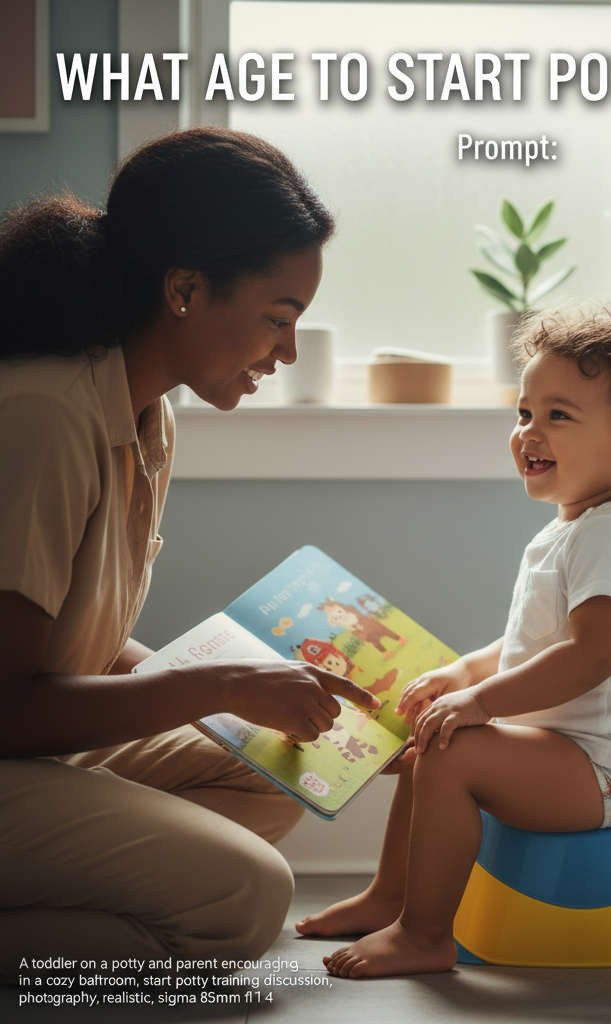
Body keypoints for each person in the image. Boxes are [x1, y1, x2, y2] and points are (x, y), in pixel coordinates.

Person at [0, 127, 381, 984]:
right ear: (184, 288)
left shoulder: (145, 412)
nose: (285, 353)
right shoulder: (45, 415)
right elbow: (7, 701)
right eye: (278, 320)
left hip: (34, 756)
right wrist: (215, 686)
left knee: (277, 769)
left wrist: (257, 687)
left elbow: (76, 645)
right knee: (245, 899)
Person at [297, 307, 611, 978]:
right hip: (571, 756)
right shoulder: (572, 529)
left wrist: (481, 703)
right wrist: (462, 674)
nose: (530, 432)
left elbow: (591, 655)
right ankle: (389, 897)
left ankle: (425, 933)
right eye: (524, 413)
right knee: (435, 732)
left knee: (452, 746)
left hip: (608, 774)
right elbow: (534, 642)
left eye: (559, 416)